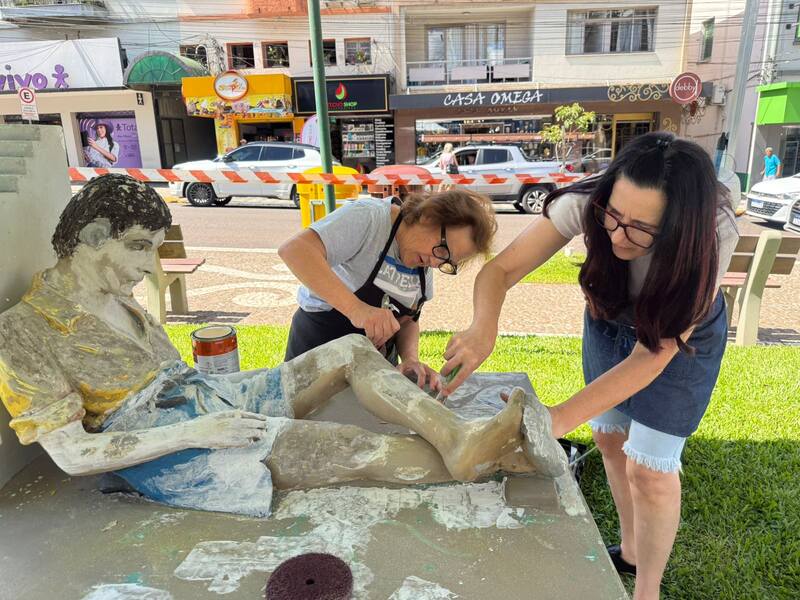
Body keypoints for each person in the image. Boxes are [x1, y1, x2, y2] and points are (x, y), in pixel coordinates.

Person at [0, 174, 559, 518]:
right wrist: (201, 431)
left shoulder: (118, 301)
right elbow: (73, 453)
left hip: (205, 396)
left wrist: (409, 359)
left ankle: (461, 440)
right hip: (173, 441)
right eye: (140, 248)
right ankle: (492, 459)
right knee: (342, 447)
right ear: (93, 238)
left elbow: (402, 319)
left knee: (354, 353)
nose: (151, 267)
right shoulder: (20, 332)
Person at [440, 133, 739, 600]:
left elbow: (654, 354)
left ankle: (647, 591)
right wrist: (483, 330)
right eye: (613, 218)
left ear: (680, 226)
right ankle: (632, 550)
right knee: (608, 438)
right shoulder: (588, 202)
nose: (618, 236)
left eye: (642, 228)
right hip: (609, 314)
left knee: (652, 472)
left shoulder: (713, 234)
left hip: (676, 337)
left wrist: (555, 419)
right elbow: (500, 271)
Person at [279, 189, 496, 392]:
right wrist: (358, 310)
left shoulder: (424, 262)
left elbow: (408, 320)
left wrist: (410, 359)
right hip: (316, 357)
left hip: (373, 373)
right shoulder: (370, 218)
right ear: (429, 216)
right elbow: (296, 250)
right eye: (442, 250)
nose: (435, 263)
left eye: (447, 263)